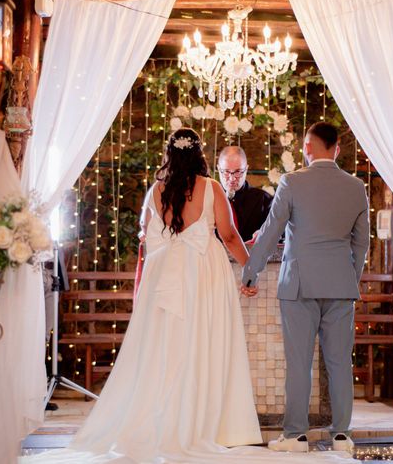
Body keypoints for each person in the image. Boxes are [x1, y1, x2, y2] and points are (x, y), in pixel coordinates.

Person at [24, 129, 356, 464]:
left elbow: (145, 234)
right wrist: (248, 270)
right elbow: (227, 235)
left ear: (169, 154)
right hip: (203, 276)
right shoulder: (211, 188)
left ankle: (163, 422)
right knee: (205, 347)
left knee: (164, 351)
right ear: (200, 156)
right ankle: (209, 424)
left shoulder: (156, 190)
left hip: (164, 281)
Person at [242, 122, 370, 454]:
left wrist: (251, 270)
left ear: (306, 148)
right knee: (340, 361)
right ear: (337, 149)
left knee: (299, 362)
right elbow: (361, 243)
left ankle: (296, 436)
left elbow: (271, 231)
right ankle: (342, 435)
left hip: (298, 285)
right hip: (341, 285)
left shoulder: (292, 182)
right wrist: (349, 278)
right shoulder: (356, 187)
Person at [218, 146, 273, 242]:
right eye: (226, 172)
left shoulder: (264, 200)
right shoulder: (209, 198)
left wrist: (265, 234)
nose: (232, 179)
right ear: (219, 169)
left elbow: (280, 232)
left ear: (246, 169)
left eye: (238, 172)